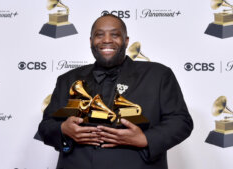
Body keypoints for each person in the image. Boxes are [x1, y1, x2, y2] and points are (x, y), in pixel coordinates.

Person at [38, 14, 193, 169]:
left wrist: (145, 138)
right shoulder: (67, 79)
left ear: (126, 41)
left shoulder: (158, 75)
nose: (106, 40)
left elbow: (181, 121)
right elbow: (46, 126)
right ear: (91, 41)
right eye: (99, 35)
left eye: (115, 35)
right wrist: (63, 129)